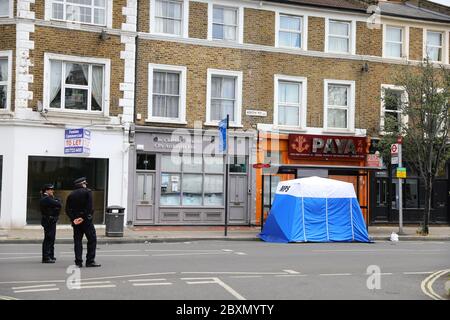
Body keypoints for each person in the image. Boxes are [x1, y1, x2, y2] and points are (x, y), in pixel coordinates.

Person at [65, 177, 101, 268]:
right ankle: (90, 261)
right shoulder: (87, 192)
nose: (86, 185)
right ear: (82, 184)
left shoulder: (71, 194)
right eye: (85, 183)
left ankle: (78, 262)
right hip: (86, 221)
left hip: (76, 221)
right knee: (92, 240)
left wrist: (74, 219)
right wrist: (83, 218)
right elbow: (89, 208)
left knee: (77, 241)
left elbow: (67, 209)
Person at [40, 184, 62, 263]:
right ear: (46, 190)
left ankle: (50, 255)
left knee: (51, 238)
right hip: (48, 220)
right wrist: (56, 202)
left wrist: (56, 201)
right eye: (51, 189)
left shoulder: (49, 198)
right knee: (48, 238)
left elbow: (58, 203)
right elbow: (58, 204)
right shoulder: (46, 199)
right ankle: (46, 257)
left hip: (51, 220)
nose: (52, 191)